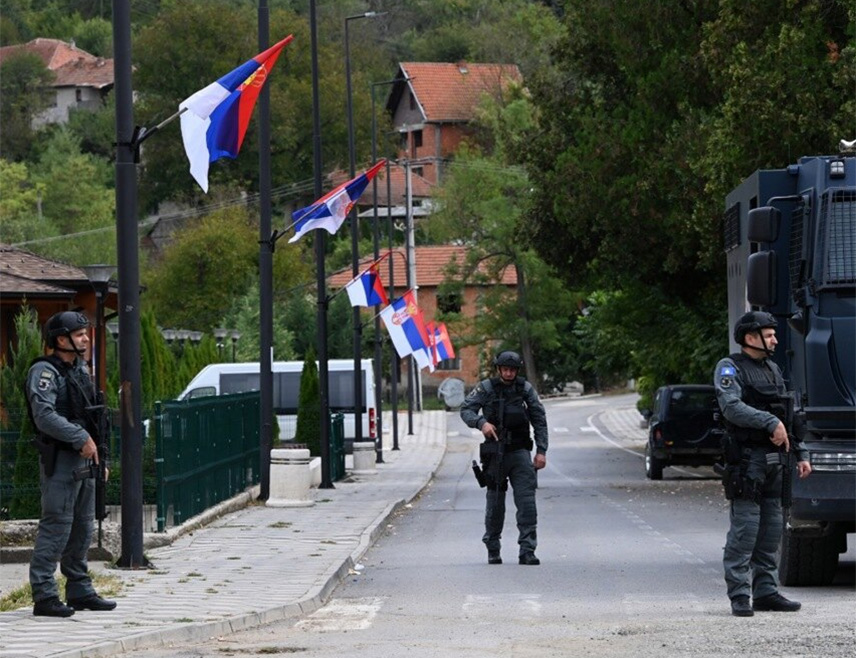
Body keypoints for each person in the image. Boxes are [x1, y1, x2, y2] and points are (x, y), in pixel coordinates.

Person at [714, 311, 811, 617]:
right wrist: (769, 422)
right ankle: (740, 595)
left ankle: (766, 593)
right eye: (769, 335)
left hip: (775, 463)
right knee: (745, 532)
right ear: (750, 337)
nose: (775, 339)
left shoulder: (772, 368)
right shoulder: (729, 367)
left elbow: (789, 414)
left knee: (771, 532)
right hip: (747, 462)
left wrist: (801, 453)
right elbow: (731, 407)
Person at [25, 311, 117, 617]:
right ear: (61, 340)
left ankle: (79, 589)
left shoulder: (80, 369)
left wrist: (100, 454)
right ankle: (44, 595)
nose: (86, 338)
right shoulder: (45, 372)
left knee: (82, 527)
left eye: (86, 334)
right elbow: (45, 416)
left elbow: (93, 415)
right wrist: (80, 438)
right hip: (61, 461)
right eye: (79, 335)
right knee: (57, 527)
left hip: (85, 460)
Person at [461, 350, 548, 565]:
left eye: (512, 370)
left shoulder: (525, 389)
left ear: (517, 370)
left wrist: (541, 451)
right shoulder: (486, 388)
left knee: (527, 503)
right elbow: (466, 410)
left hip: (520, 453)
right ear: (499, 369)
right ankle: (493, 548)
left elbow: (539, 419)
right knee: (495, 505)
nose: (509, 373)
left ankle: (527, 550)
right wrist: (481, 423)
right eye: (505, 369)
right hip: (495, 453)